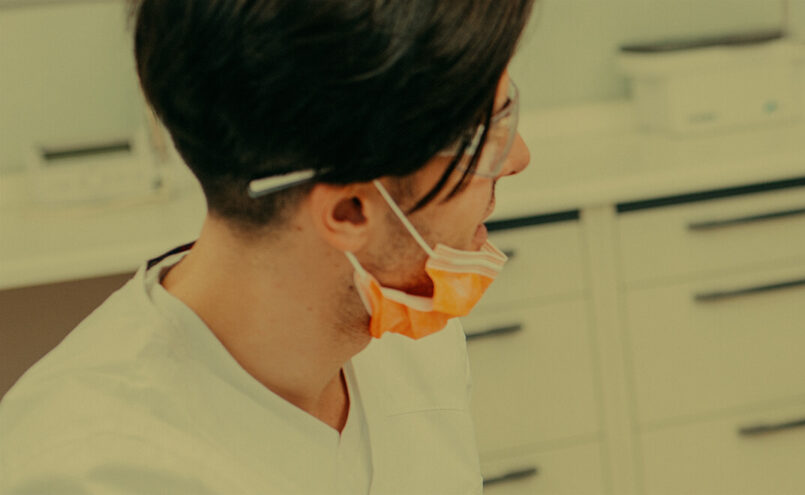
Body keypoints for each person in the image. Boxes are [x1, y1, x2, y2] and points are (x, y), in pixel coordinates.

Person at [0, 0, 533, 492]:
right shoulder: (89, 472)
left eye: (504, 110)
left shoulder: (409, 337)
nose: (518, 158)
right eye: (478, 137)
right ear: (350, 211)